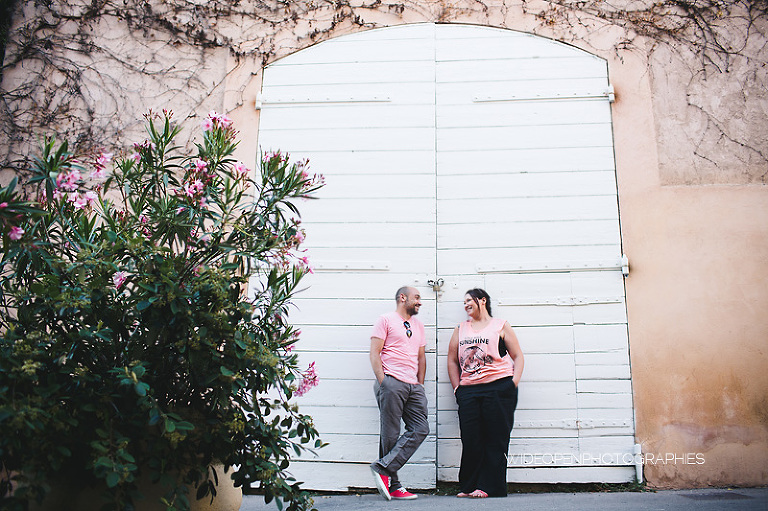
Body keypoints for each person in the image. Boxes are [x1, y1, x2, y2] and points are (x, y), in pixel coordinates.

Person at [446, 288, 524, 498]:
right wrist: (457, 388)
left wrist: (512, 384)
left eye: (469, 300)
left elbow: (517, 356)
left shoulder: (500, 325)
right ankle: (469, 486)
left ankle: (491, 487)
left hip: (498, 387)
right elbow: (452, 360)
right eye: (464, 302)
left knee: (495, 438)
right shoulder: (461, 328)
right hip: (469, 390)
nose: (466, 305)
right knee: (471, 438)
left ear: (483, 301)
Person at [369, 286, 429, 501]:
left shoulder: (419, 325)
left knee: (420, 429)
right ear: (402, 298)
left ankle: (382, 468)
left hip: (413, 385)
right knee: (391, 434)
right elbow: (374, 353)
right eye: (417, 298)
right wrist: (384, 382)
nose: (420, 302)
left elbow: (421, 357)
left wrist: (419, 385)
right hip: (392, 382)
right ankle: (394, 485)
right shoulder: (385, 320)